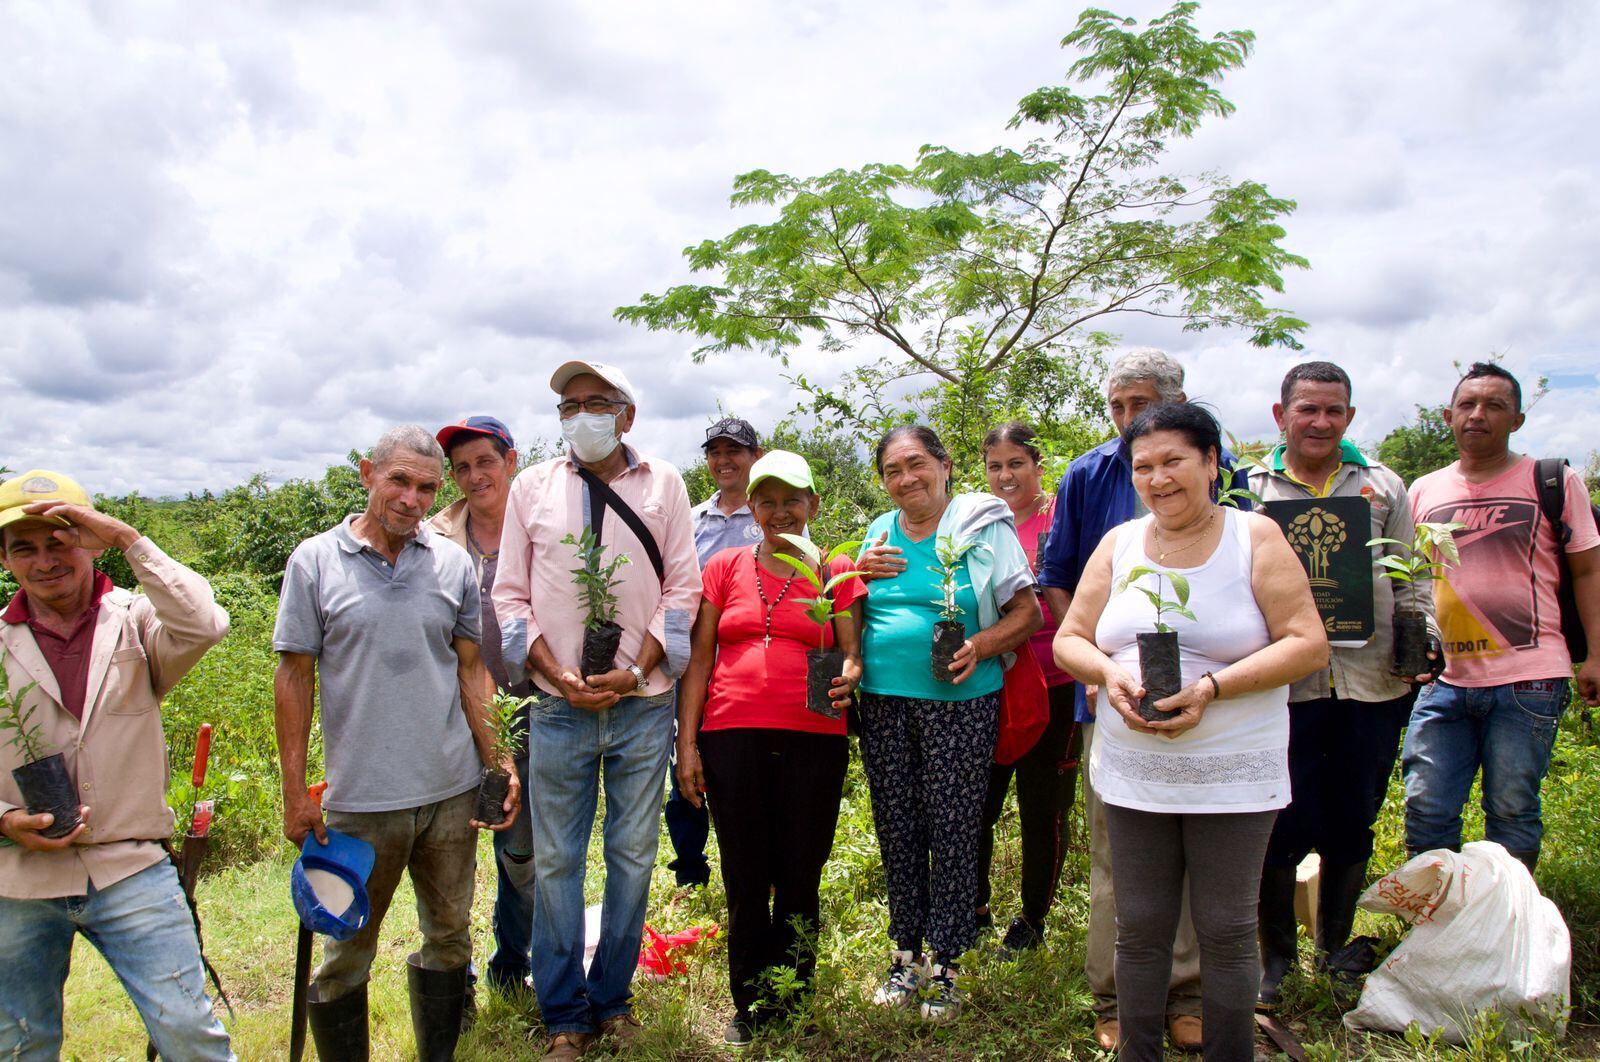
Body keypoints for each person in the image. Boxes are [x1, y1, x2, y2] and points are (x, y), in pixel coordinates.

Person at [1054, 402, 1327, 1062]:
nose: (1158, 478)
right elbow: (1069, 638)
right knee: (1141, 925)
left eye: (1173, 460)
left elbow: (1307, 643)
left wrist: (1212, 688)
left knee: (1226, 929)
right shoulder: (1119, 543)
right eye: (1142, 466)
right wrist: (1107, 674)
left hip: (1232, 769)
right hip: (1135, 769)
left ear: (1210, 462)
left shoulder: (1254, 537)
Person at [273, 426, 519, 1062]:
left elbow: (471, 670)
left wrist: (499, 761)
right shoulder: (315, 561)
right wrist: (295, 793)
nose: (412, 499)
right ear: (367, 474)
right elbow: (294, 677)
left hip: (450, 796)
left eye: (427, 488)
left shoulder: (452, 563)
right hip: (360, 803)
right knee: (345, 950)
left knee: (450, 937)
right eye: (399, 481)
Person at [1036, 349, 1251, 1051]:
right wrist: (1096, 668)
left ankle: (1186, 994)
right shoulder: (1088, 473)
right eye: (1118, 407)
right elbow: (1058, 577)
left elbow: (1249, 579)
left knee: (1196, 852)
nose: (1128, 420)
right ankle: (1116, 1000)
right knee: (1117, 854)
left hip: (1210, 703)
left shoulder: (1222, 470)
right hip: (1113, 699)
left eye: (1142, 404)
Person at [494, 360, 702, 1062]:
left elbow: (683, 590)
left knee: (633, 856)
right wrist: (555, 672)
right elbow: (509, 595)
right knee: (557, 861)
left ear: (626, 415)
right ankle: (564, 1014)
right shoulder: (532, 487)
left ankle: (612, 998)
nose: (580, 416)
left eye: (595, 402)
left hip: (644, 706)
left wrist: (636, 670)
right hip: (559, 707)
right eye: (569, 405)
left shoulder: (664, 483)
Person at [0, 471, 233, 1061]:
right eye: (24, 548)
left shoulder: (134, 620)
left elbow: (205, 623)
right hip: (17, 879)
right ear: (5, 559)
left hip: (130, 866)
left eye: (60, 541)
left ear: (90, 542)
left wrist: (128, 538)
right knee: (20, 1042)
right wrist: (4, 818)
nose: (45, 561)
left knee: (189, 1032)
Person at [1252, 362, 1439, 1006]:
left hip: (1372, 683)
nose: (1321, 422)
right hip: (1285, 688)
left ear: (1350, 416)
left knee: (1353, 815)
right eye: (1307, 409)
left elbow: (1413, 577)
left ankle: (1334, 946)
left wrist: (1423, 634)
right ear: (1281, 415)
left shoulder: (1383, 485)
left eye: (1334, 410)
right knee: (1281, 816)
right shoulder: (1249, 489)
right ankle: (1275, 957)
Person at [674, 450, 865, 1046]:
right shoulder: (725, 567)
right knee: (746, 871)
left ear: (813, 505)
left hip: (814, 735)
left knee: (802, 866)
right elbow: (700, 659)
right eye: (768, 502)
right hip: (731, 736)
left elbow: (853, 653)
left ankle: (794, 996)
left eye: (792, 501)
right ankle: (751, 1002)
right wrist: (687, 743)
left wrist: (850, 675)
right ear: (752, 508)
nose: (780, 512)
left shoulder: (834, 569)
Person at [852, 426, 1042, 1020]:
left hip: (960, 704)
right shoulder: (879, 531)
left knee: (955, 828)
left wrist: (980, 646)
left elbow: (1028, 613)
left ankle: (948, 965)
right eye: (892, 471)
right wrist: (855, 574)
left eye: (916, 464)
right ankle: (906, 955)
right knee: (897, 827)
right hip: (883, 702)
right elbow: (851, 605)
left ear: (945, 464)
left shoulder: (981, 527)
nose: (906, 479)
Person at [1404, 362, 1600, 872]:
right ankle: (1437, 915)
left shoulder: (1553, 481)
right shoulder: (1422, 490)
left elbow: (1588, 571)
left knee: (1512, 810)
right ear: (1448, 416)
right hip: (1442, 678)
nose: (1478, 415)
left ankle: (1510, 914)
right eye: (1467, 405)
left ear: (1517, 420)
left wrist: (1596, 656)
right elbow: (1408, 580)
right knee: (1426, 809)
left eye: (1494, 406)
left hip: (1529, 678)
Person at [429, 416, 536, 999]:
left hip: (531, 712)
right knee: (451, 848)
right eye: (462, 467)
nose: (474, 476)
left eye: (485, 462)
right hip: (456, 716)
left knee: (519, 846)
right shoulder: (436, 538)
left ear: (511, 461)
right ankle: (453, 976)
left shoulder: (541, 522)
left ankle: (511, 960)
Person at [976, 423, 1082, 956]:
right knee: (978, 804)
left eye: (1016, 463)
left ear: (1038, 464)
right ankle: (975, 907)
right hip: (991, 684)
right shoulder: (976, 523)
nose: (1005, 476)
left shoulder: (1061, 517)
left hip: (1056, 683)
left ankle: (1032, 919)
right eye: (995, 466)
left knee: (1044, 808)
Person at [667, 416, 765, 890]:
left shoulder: (772, 515)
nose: (724, 461)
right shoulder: (692, 520)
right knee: (683, 760)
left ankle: (749, 868)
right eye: (715, 453)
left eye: (734, 451)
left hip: (747, 669)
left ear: (755, 457)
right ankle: (690, 870)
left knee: (744, 768)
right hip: (693, 663)